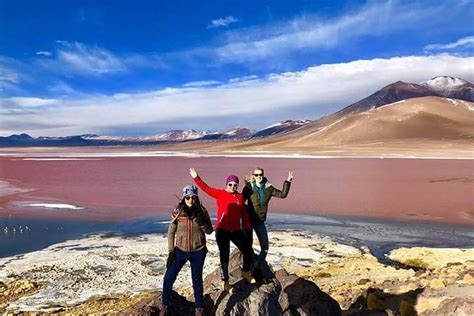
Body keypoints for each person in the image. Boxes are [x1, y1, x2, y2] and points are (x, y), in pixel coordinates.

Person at [189, 167, 255, 292]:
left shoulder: (240, 197)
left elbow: (244, 214)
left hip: (236, 230)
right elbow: (206, 188)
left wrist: (247, 227)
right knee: (224, 256)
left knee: (247, 250)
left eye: (235, 185)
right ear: (226, 184)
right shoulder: (220, 193)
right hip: (222, 230)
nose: (232, 187)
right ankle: (226, 283)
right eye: (230, 184)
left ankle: (245, 272)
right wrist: (196, 177)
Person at [161, 185, 213, 316]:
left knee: (196, 280)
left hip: (198, 251)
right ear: (184, 197)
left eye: (193, 197)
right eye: (188, 197)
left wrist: (202, 223)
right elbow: (171, 232)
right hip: (180, 251)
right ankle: (165, 306)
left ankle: (198, 309)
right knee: (168, 278)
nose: (191, 200)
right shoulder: (178, 211)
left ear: (196, 198)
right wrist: (171, 251)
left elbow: (209, 231)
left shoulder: (202, 211)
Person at [243, 167, 293, 268]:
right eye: (256, 175)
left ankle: (257, 267)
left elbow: (282, 195)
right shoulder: (248, 188)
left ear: (263, 175)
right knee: (247, 246)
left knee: (265, 248)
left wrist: (288, 181)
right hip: (248, 220)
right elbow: (240, 201)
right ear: (253, 176)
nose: (259, 177)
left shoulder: (268, 188)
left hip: (260, 221)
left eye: (260, 174)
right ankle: (248, 268)